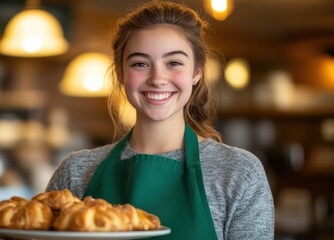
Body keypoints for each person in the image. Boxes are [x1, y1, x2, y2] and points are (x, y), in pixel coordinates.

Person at [47, 1, 274, 239]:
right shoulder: (75, 173)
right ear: (121, 74)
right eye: (140, 64)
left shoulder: (238, 173)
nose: (157, 78)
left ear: (197, 71)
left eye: (174, 63)